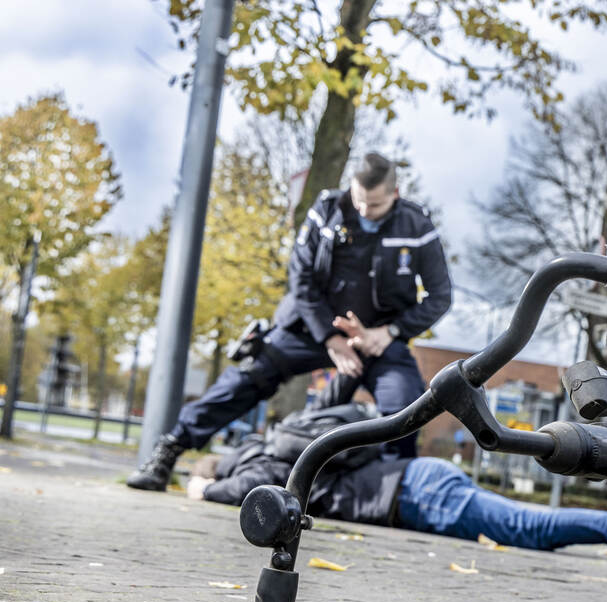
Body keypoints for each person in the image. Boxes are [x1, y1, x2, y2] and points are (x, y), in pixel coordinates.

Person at [127, 151, 452, 491]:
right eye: (358, 201)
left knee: (406, 404)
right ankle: (169, 450)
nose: (363, 212)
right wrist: (329, 337)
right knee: (248, 376)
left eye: (374, 205)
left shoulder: (417, 227)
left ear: (394, 194)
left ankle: (400, 489)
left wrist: (389, 333)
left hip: (376, 338)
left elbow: (440, 296)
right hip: (311, 329)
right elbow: (301, 279)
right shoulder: (326, 210)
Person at [187, 434, 607, 558]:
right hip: (420, 478)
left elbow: (238, 490)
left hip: (419, 498)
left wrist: (202, 485)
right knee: (523, 522)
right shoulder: (277, 441)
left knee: (528, 528)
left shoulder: (254, 464)